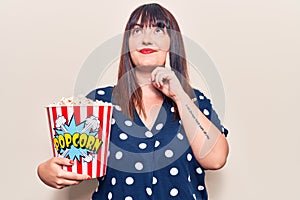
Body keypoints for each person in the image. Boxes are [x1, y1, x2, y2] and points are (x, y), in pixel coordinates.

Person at [37, 3, 229, 200]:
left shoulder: (195, 100)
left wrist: (179, 96)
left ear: (173, 43)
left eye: (158, 30)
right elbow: (71, 157)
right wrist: (45, 171)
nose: (146, 39)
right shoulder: (98, 103)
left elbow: (216, 159)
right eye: (137, 31)